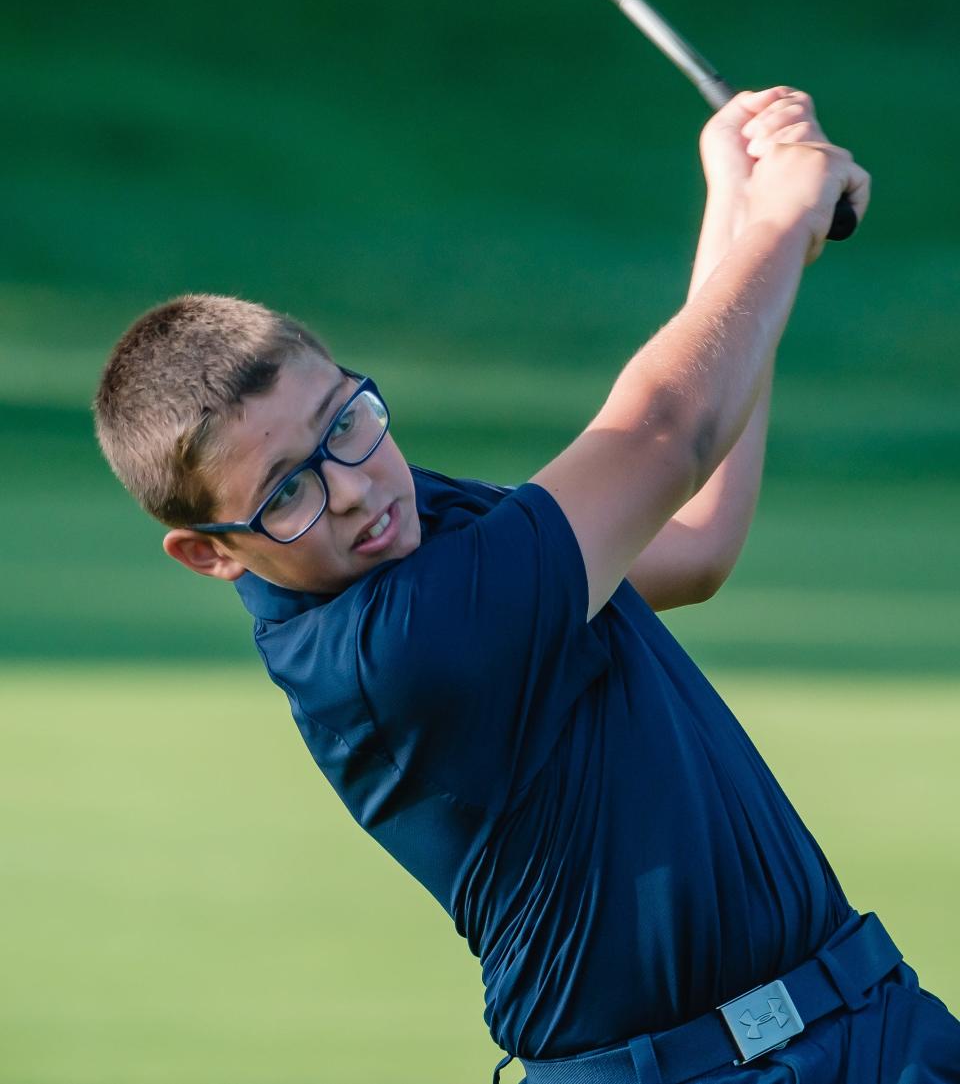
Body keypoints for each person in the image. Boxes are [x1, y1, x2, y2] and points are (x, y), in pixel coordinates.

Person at [94, 87, 959, 1083]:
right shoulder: (401, 649)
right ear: (212, 552)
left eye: (344, 420)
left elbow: (690, 533)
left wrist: (737, 198)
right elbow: (661, 433)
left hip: (880, 1025)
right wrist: (779, 218)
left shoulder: (421, 527)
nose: (352, 487)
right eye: (285, 491)